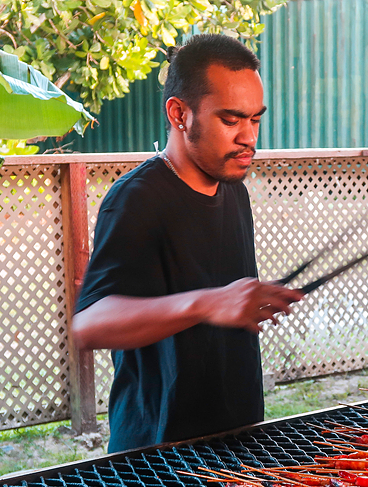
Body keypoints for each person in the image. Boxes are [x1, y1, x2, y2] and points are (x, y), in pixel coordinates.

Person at [72, 34, 303, 453]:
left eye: (255, 119)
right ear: (180, 113)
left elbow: (221, 300)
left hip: (238, 444)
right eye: (231, 120)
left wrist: (241, 302)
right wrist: (206, 303)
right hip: (156, 459)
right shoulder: (136, 200)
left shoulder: (233, 189)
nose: (249, 137)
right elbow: (89, 324)